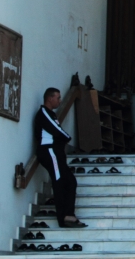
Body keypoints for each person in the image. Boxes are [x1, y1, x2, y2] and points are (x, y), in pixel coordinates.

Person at [34, 88, 86, 228]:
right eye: (58, 97)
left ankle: (69, 214)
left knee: (70, 181)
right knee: (59, 181)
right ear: (50, 98)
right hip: (49, 151)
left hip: (56, 152)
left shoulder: (52, 114)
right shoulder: (44, 113)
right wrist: (67, 137)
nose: (60, 100)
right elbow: (56, 130)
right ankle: (63, 218)